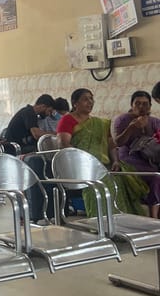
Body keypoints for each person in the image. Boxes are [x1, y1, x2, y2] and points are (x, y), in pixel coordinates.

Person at [57, 88, 148, 217]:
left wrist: (115, 161)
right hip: (80, 166)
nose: (90, 102)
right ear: (74, 103)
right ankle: (100, 221)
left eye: (91, 98)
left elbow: (111, 145)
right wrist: (86, 162)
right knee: (104, 181)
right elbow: (64, 144)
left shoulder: (100, 123)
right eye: (85, 99)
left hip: (102, 164)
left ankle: (123, 221)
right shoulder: (67, 120)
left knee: (122, 178)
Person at [113, 91, 160, 218]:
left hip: (151, 159)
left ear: (150, 106)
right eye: (137, 103)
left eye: (145, 104)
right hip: (129, 158)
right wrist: (131, 127)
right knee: (156, 176)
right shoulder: (123, 119)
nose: (141, 107)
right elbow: (118, 142)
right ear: (132, 105)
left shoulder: (155, 121)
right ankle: (153, 216)